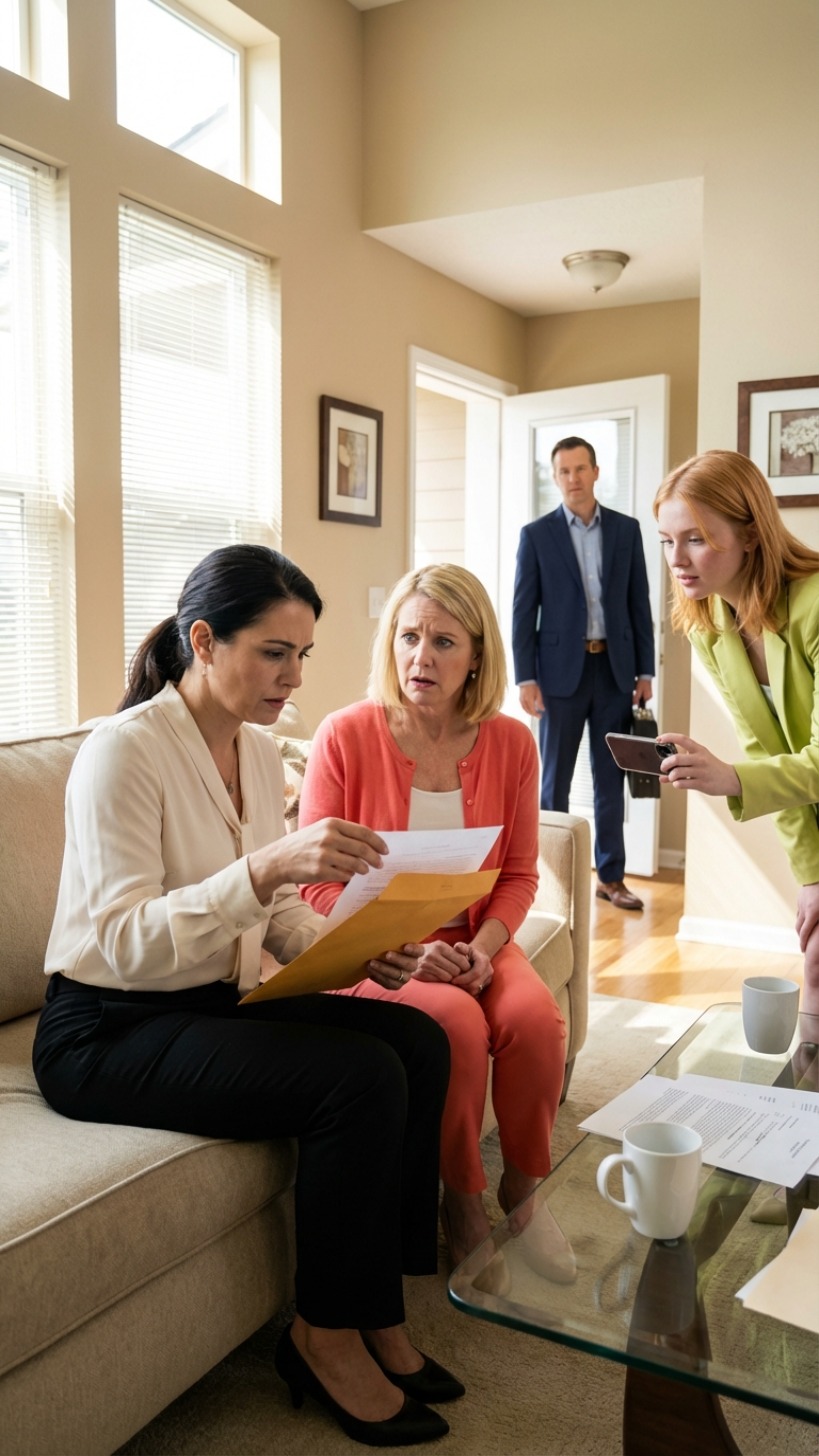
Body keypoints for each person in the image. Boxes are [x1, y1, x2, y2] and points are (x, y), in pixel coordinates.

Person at [32, 544, 464, 1448]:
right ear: (203, 640)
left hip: (209, 1001)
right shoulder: (124, 753)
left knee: (418, 1042)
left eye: (302, 654)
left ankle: (377, 1306)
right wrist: (262, 866)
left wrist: (358, 950)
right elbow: (120, 942)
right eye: (275, 652)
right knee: (356, 1079)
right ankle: (323, 1334)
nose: (294, 675)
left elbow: (268, 917)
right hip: (106, 1028)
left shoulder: (260, 754)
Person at [298, 564, 575, 1288]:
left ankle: (522, 1189)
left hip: (473, 936)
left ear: (477, 656)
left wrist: (483, 951)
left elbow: (516, 874)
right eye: (408, 636)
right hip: (376, 950)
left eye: (444, 641)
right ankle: (462, 1197)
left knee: (533, 1019)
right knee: (455, 1025)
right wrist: (405, 951)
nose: (421, 657)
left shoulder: (511, 742)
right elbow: (317, 885)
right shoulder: (344, 736)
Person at [654, 449, 819, 1036]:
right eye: (666, 541)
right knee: (816, 963)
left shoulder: (816, 607)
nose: (677, 560)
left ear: (750, 534)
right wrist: (812, 875)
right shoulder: (712, 625)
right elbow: (771, 755)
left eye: (695, 539)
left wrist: (731, 778)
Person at [512, 435, 655, 911]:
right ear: (555, 479)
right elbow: (522, 610)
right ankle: (549, 879)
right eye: (564, 472)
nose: (573, 479)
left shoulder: (626, 531)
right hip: (558, 675)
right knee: (553, 781)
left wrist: (645, 670)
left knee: (610, 777)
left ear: (596, 473)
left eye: (581, 469)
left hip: (614, 670)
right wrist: (526, 678)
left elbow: (639, 604)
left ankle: (610, 877)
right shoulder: (536, 535)